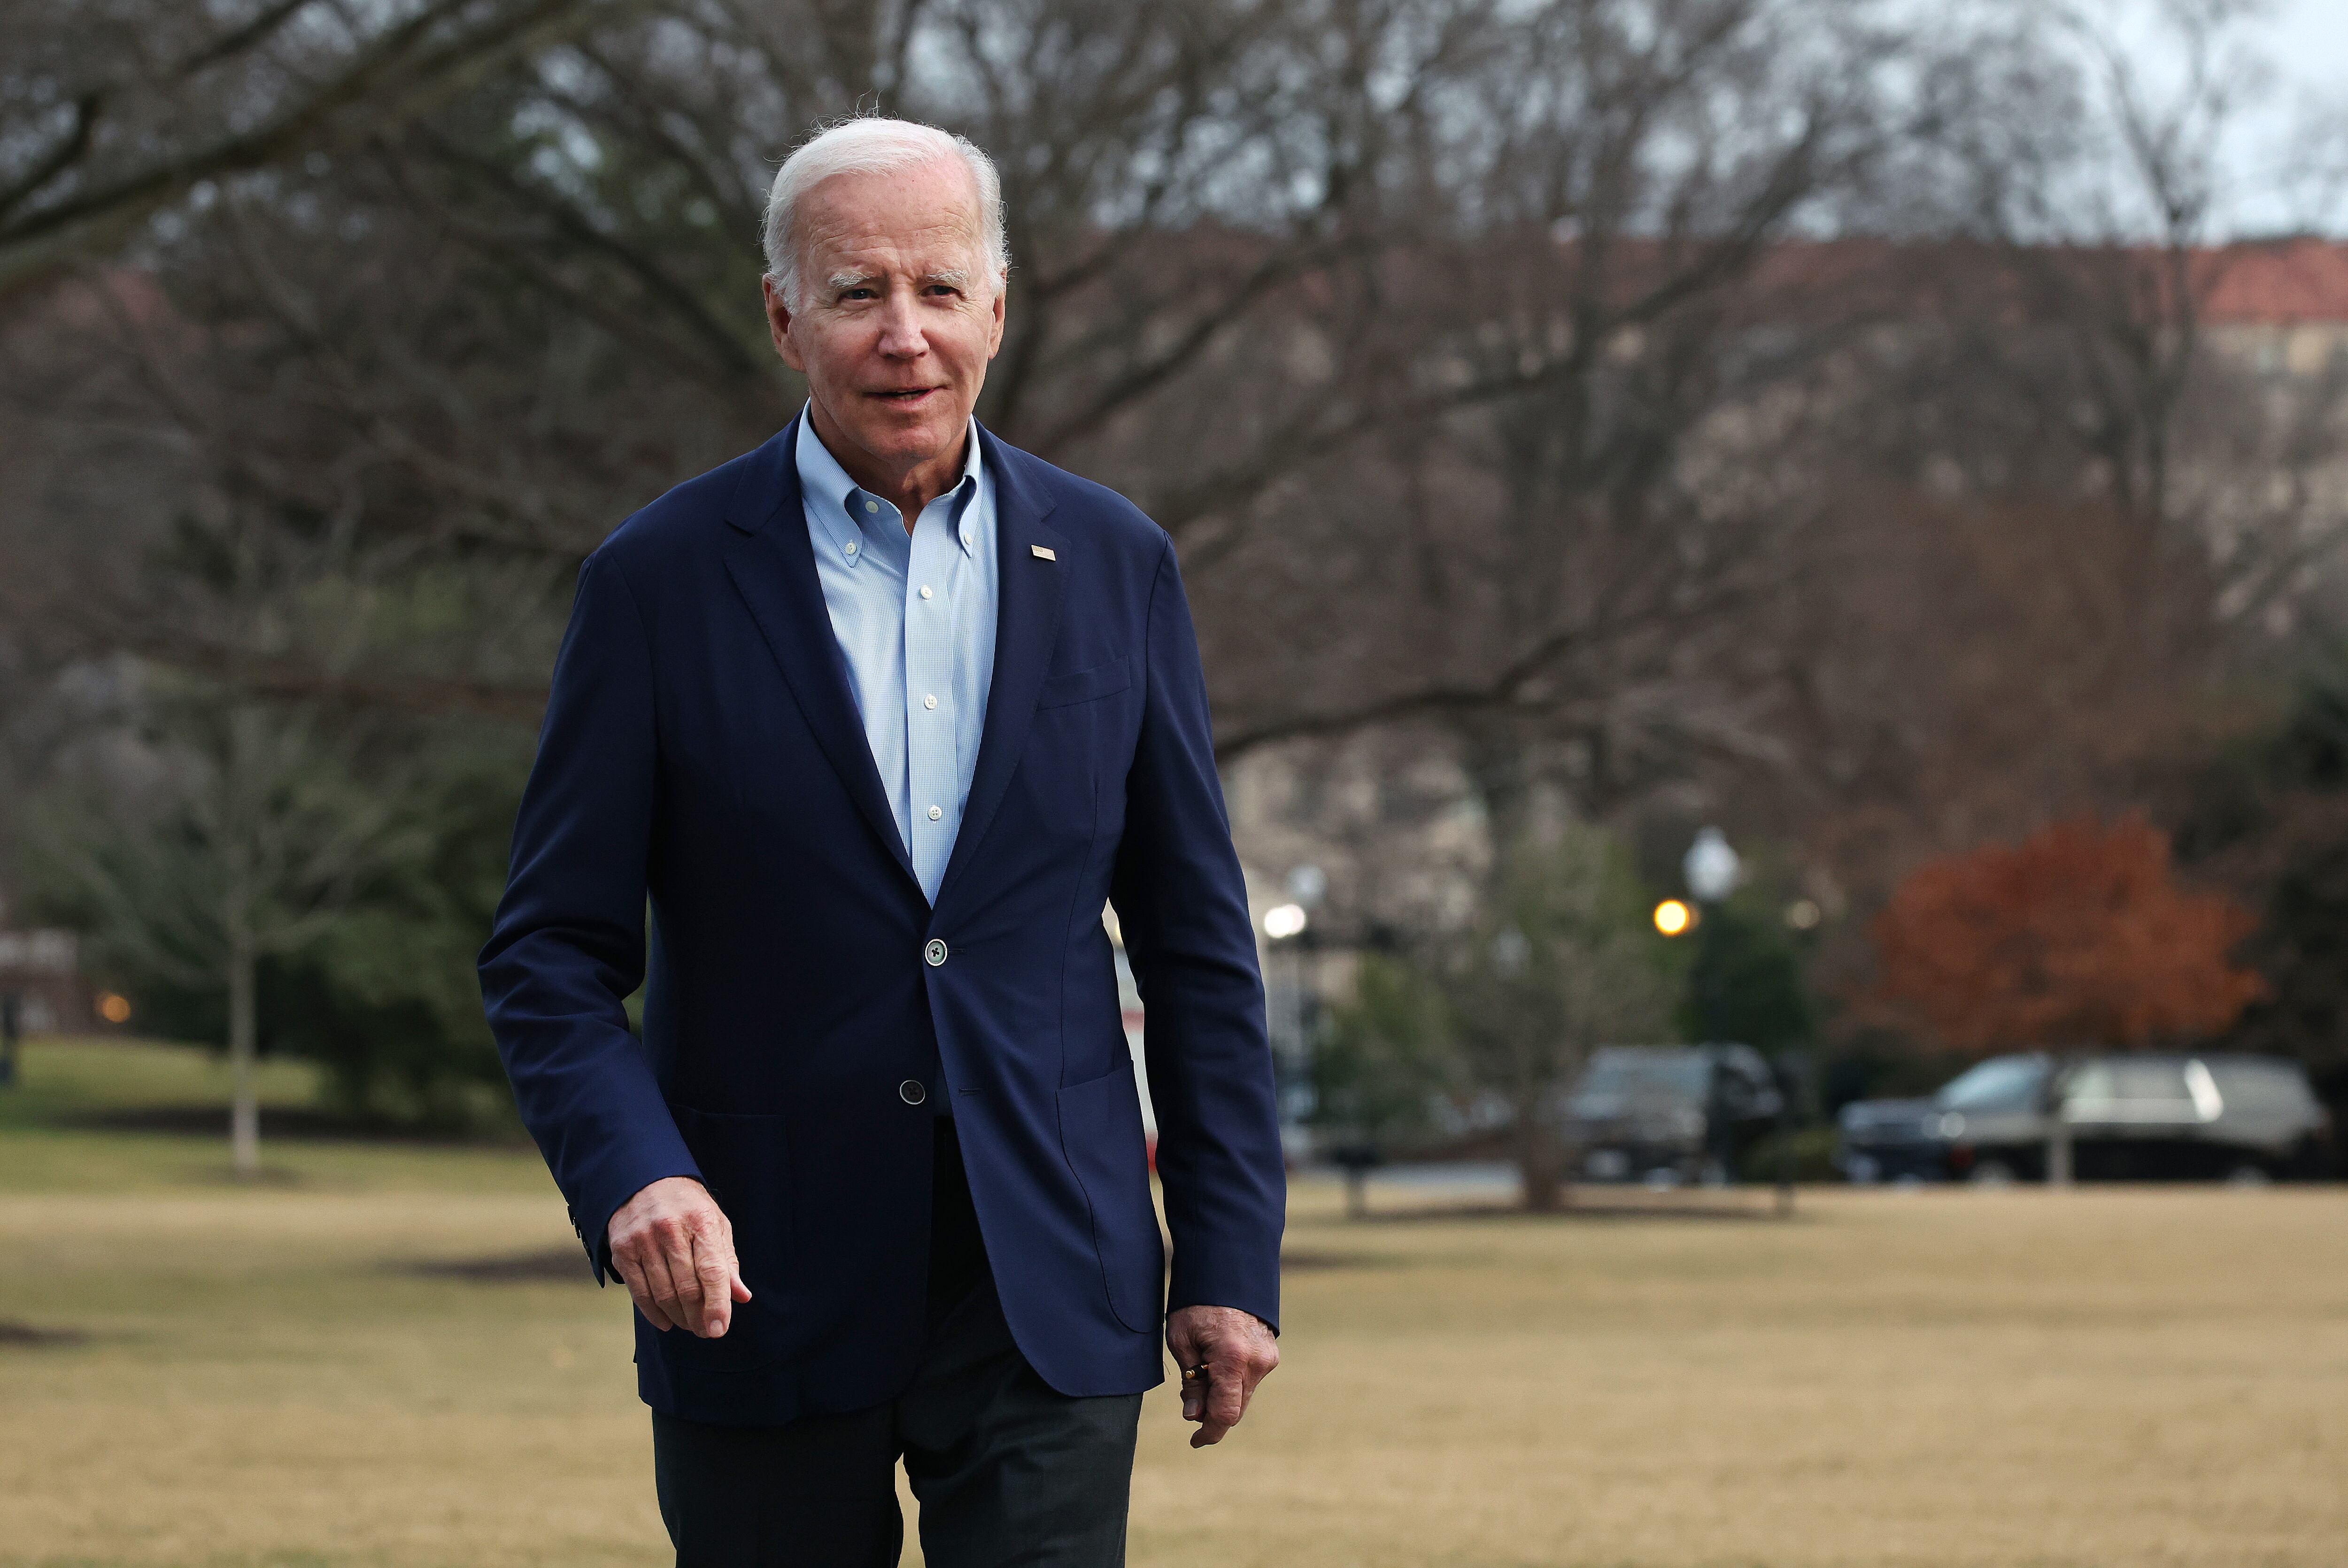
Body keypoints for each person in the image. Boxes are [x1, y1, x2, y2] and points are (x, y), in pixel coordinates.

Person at [477, 116, 1285, 1568]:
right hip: (755, 1278)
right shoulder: (657, 583)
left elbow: (1197, 948)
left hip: (1048, 1275)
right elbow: (548, 952)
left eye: (939, 288)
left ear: (997, 307)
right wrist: (634, 1177)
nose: (904, 334)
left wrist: (1230, 1257)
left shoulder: (1118, 565)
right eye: (857, 292)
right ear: (785, 319)